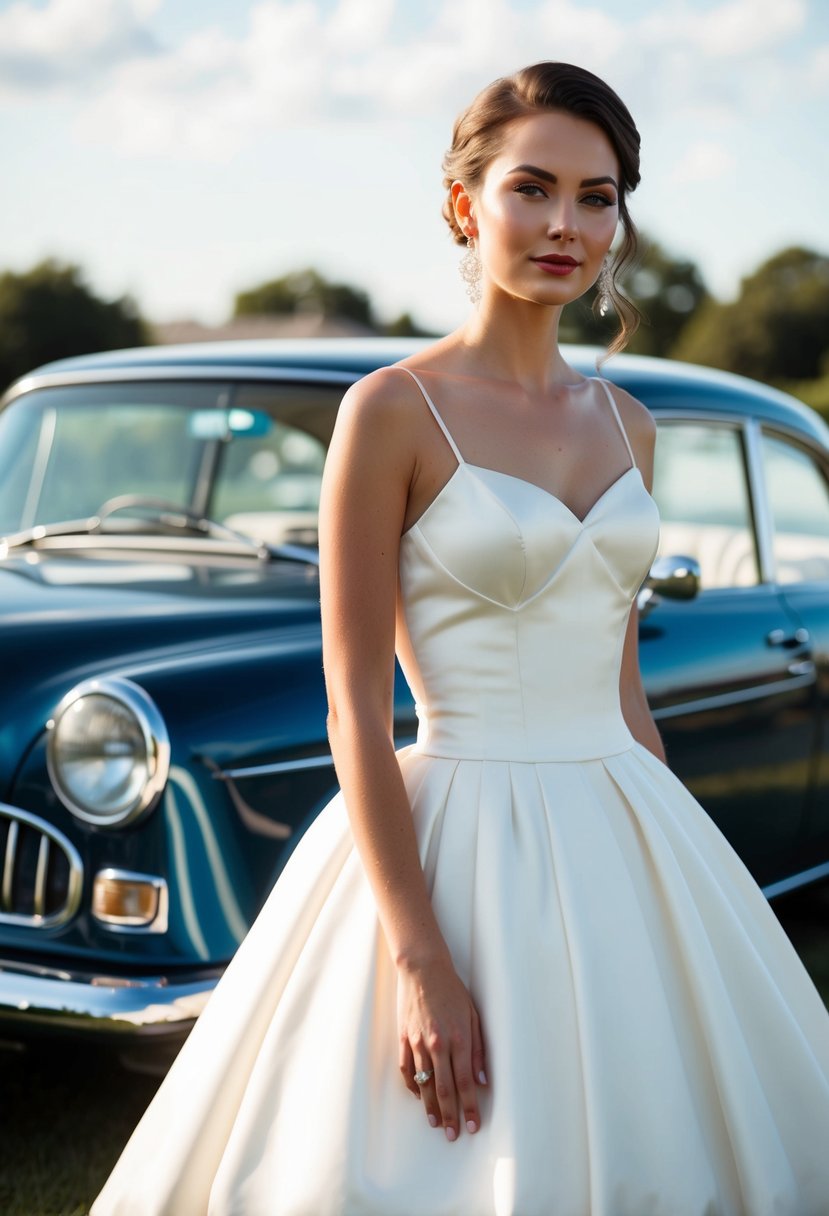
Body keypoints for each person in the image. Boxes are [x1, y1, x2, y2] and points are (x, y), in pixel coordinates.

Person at [93, 62, 829, 1215]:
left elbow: (623, 682)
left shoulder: (630, 423)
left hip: (627, 826)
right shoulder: (390, 410)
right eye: (532, 188)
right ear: (462, 205)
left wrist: (675, 878)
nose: (565, 225)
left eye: (597, 197)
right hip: (455, 828)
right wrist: (420, 957)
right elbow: (351, 707)